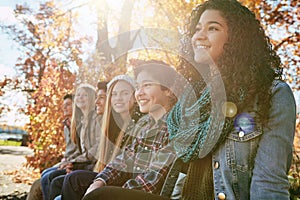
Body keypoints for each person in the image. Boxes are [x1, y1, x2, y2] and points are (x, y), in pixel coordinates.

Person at [130, 0, 296, 199]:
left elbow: (269, 183)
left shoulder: (271, 94)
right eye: (197, 28)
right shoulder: (189, 101)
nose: (199, 35)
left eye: (213, 28)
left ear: (237, 38)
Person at [82, 60, 179, 200]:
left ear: (168, 89)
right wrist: (99, 181)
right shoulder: (147, 126)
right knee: (76, 180)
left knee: (99, 195)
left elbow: (151, 182)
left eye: (147, 85)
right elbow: (125, 158)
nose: (139, 93)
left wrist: (114, 192)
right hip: (134, 188)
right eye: (138, 87)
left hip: (153, 195)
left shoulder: (174, 126)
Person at [57, 75, 142, 200]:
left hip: (124, 182)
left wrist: (76, 165)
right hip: (107, 175)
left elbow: (126, 166)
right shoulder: (112, 125)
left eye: (125, 93)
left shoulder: (138, 125)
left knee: (72, 180)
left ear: (134, 96)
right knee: (58, 182)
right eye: (114, 94)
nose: (118, 98)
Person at [41, 83, 101, 200]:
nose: (80, 98)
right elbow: (80, 150)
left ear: (92, 98)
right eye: (78, 95)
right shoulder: (83, 121)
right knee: (48, 176)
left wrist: (73, 162)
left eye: (84, 95)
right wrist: (70, 161)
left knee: (52, 179)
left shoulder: (96, 119)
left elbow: (96, 150)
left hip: (91, 165)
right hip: (82, 162)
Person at [26, 93, 75, 200]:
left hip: (75, 163)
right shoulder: (66, 125)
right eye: (64, 105)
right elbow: (69, 150)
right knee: (43, 175)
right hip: (68, 160)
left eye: (68, 104)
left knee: (47, 178)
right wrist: (64, 159)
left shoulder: (79, 125)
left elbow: (81, 151)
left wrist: (69, 162)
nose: (64, 107)